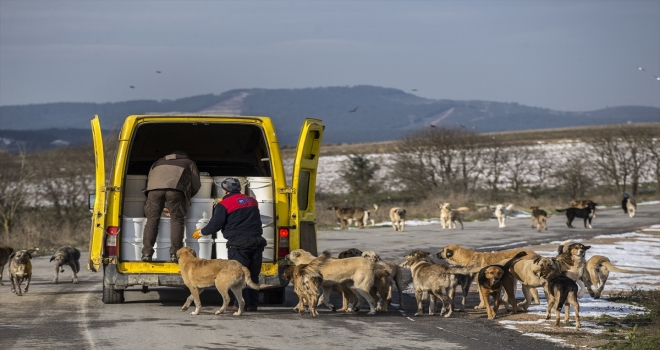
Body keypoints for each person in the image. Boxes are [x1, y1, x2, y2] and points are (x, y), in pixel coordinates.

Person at [193, 177, 266, 312]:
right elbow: (241, 208)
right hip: (256, 242)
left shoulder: (224, 205)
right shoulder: (251, 200)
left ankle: (238, 305)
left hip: (238, 244)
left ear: (224, 190)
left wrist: (202, 232)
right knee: (252, 274)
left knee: (239, 275)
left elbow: (215, 224)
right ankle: (252, 305)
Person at [142, 151, 201, 262]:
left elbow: (150, 180)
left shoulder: (158, 162)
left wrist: (163, 205)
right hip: (175, 191)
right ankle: (175, 254)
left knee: (152, 220)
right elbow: (196, 184)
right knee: (176, 221)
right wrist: (185, 198)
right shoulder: (188, 162)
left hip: (153, 191)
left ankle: (146, 253)